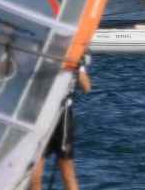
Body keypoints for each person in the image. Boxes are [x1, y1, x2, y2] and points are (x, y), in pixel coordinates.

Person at [33, 57, 91, 190]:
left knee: (66, 168)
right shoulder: (36, 52)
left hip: (62, 116)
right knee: (35, 174)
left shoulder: (70, 55)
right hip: (37, 114)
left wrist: (76, 66)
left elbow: (86, 87)